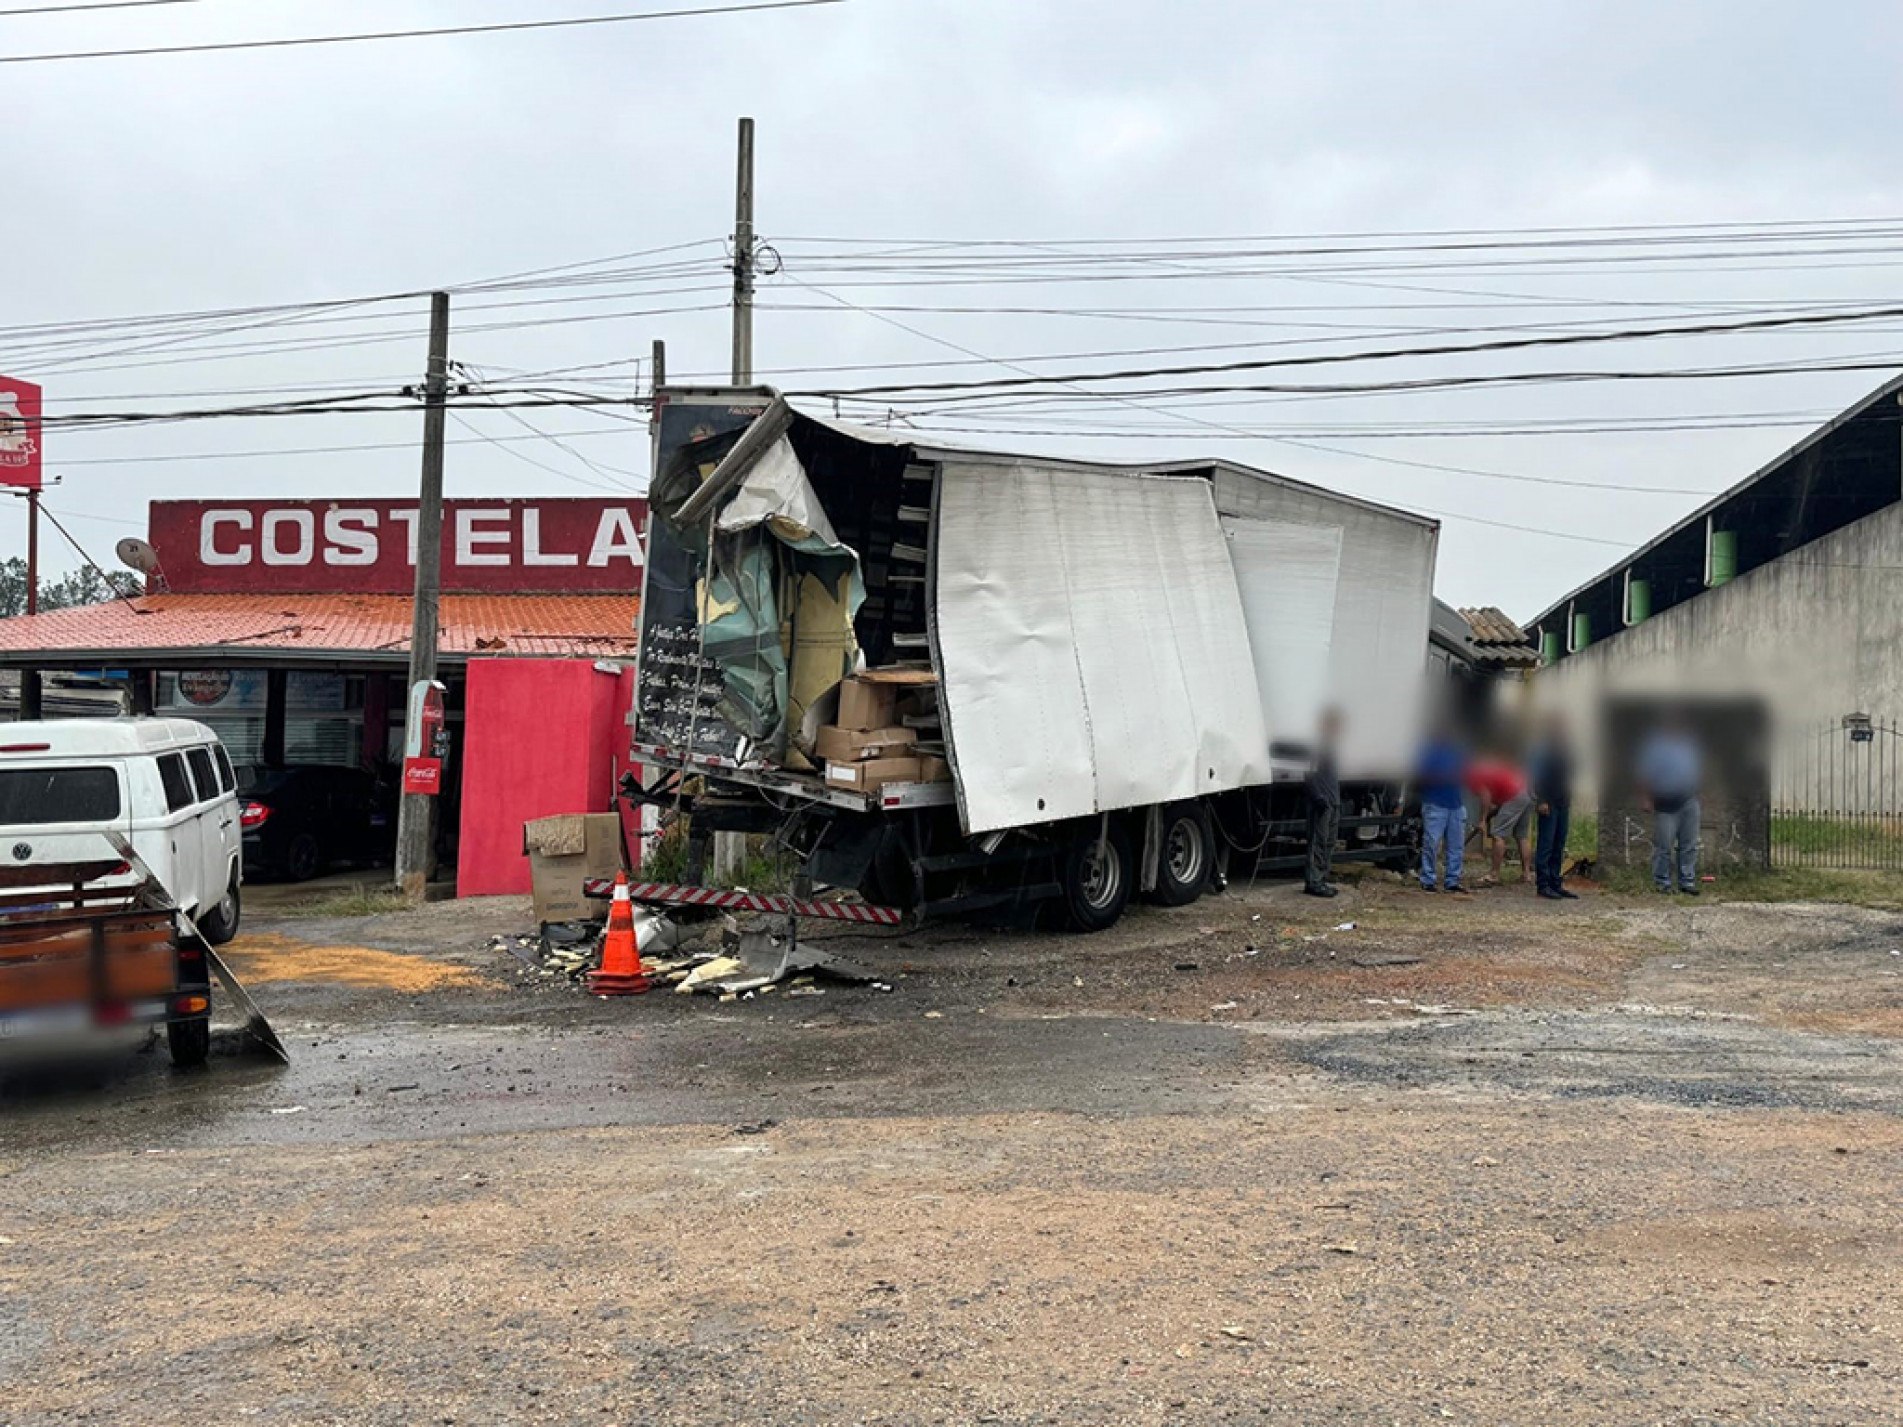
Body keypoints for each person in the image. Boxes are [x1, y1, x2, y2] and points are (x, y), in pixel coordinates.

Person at [1638, 712, 1702, 895]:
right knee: (1664, 846)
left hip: (1688, 800)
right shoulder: (1654, 747)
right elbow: (1644, 773)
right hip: (1665, 803)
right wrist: (1646, 798)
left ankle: (1687, 882)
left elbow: (1695, 769)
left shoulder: (1689, 744)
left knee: (1689, 845)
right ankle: (1662, 882)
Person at [1528, 713, 1578, 901]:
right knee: (1546, 845)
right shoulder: (1542, 749)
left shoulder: (1566, 748)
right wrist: (1541, 800)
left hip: (1563, 801)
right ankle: (1543, 884)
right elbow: (1536, 775)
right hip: (1548, 801)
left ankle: (1555, 882)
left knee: (1559, 844)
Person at [1415, 724, 1469, 894]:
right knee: (1432, 843)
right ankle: (1428, 879)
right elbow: (1421, 776)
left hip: (1455, 803)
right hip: (1435, 802)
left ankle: (1452, 880)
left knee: (1456, 846)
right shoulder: (1429, 752)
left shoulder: (1458, 752)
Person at [1466, 751, 1534, 885]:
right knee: (1522, 836)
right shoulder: (1489, 768)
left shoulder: (1474, 776)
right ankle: (1527, 874)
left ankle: (1494, 874)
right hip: (1525, 793)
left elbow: (1485, 796)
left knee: (1498, 835)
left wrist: (1482, 820)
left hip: (1514, 796)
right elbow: (1498, 793)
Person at [1303, 707, 1344, 898]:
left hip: (1333, 799)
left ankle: (1321, 878)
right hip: (1323, 801)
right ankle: (1314, 881)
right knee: (1318, 842)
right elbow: (1309, 773)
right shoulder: (1318, 745)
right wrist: (1318, 796)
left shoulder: (1332, 746)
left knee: (1329, 842)